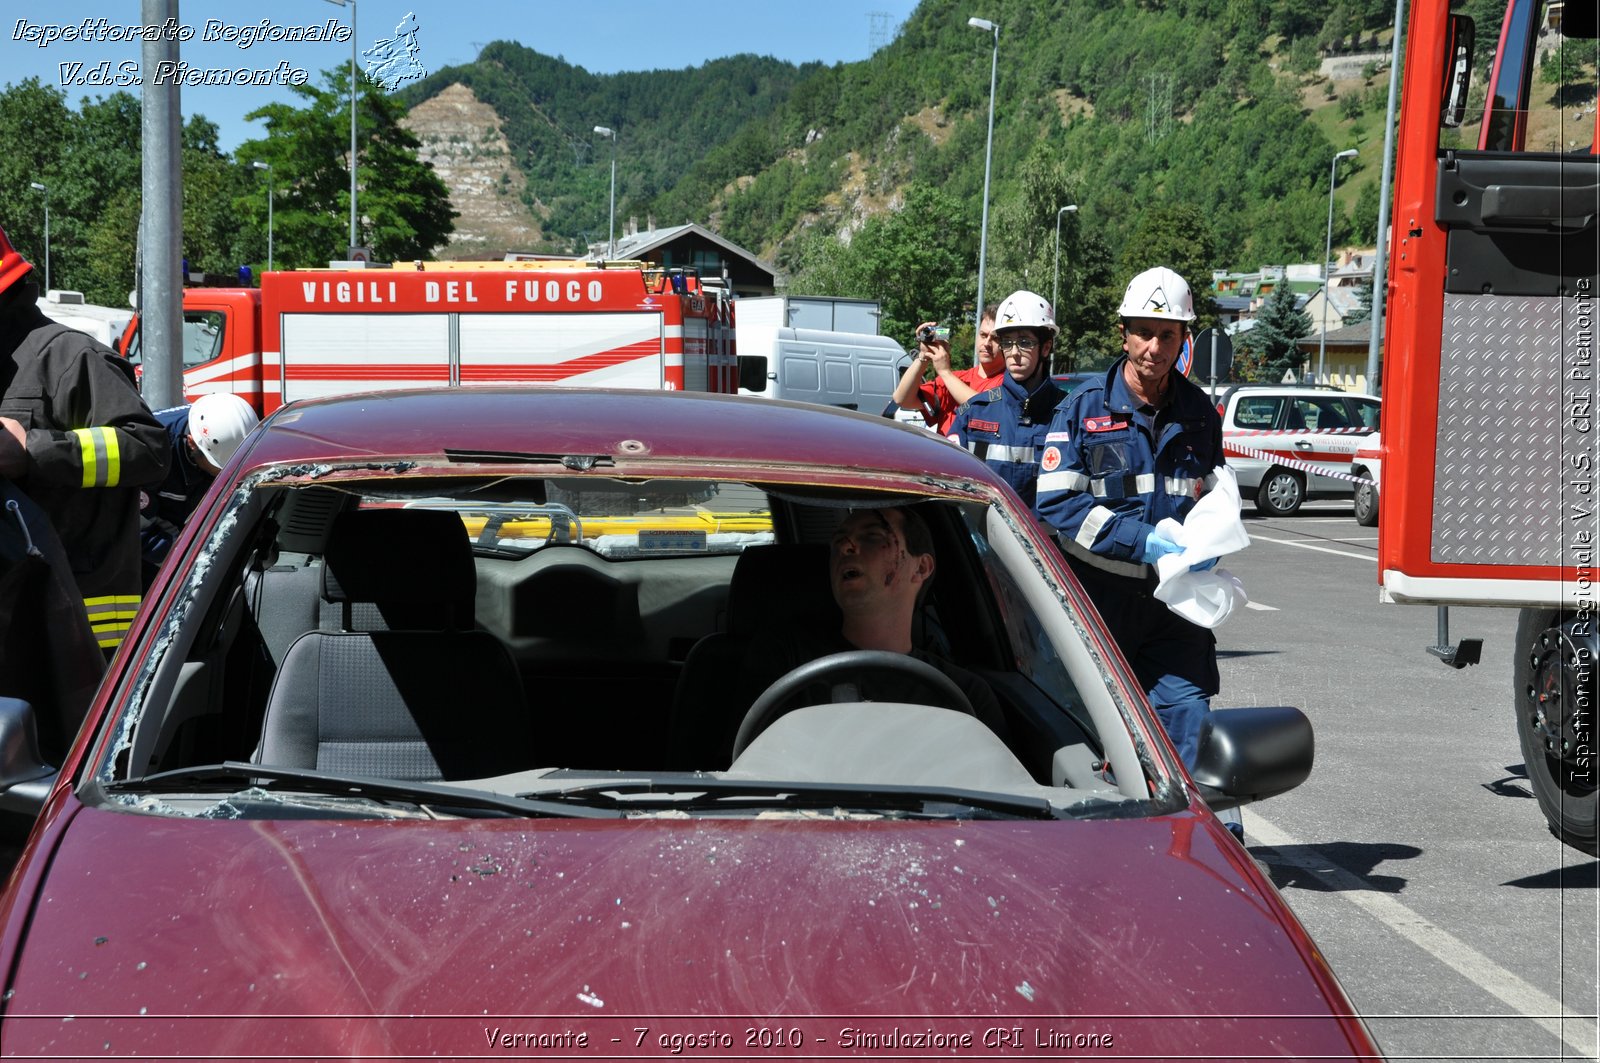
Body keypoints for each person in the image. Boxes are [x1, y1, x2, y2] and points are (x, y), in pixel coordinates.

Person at [1034, 267, 1233, 817]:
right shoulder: (1082, 409)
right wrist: (1140, 540)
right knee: (1098, 734)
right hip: (1099, 601)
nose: (1154, 347)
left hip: (1176, 604)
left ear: (1182, 340)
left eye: (1167, 334)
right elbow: (1057, 503)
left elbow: (1216, 494)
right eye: (1144, 332)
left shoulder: (1200, 414)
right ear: (1123, 333)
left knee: (1187, 719)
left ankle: (1189, 844)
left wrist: (1214, 539)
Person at [0, 224, 168, 655]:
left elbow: (147, 447)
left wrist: (34, 451)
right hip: (16, 617)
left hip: (82, 629)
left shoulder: (69, 357)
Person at [738, 505, 1008, 746]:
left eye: (872, 536)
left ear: (921, 568)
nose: (845, 547)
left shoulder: (965, 695)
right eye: (837, 542)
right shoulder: (783, 662)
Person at [947, 290, 1068, 512]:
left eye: (1024, 342)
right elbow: (949, 485)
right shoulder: (974, 413)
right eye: (1007, 342)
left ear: (1046, 347)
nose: (1014, 353)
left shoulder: (1070, 413)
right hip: (984, 542)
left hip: (1047, 544)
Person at [140, 393, 260, 584]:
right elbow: (138, 529)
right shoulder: (150, 450)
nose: (225, 475)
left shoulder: (223, 434)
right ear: (191, 443)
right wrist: (183, 564)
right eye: (220, 468)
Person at [889, 306, 1003, 434]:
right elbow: (902, 399)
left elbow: (982, 410)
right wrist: (923, 356)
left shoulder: (1011, 383)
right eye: (983, 335)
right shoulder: (957, 379)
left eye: (995, 338)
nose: (987, 343)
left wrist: (945, 372)